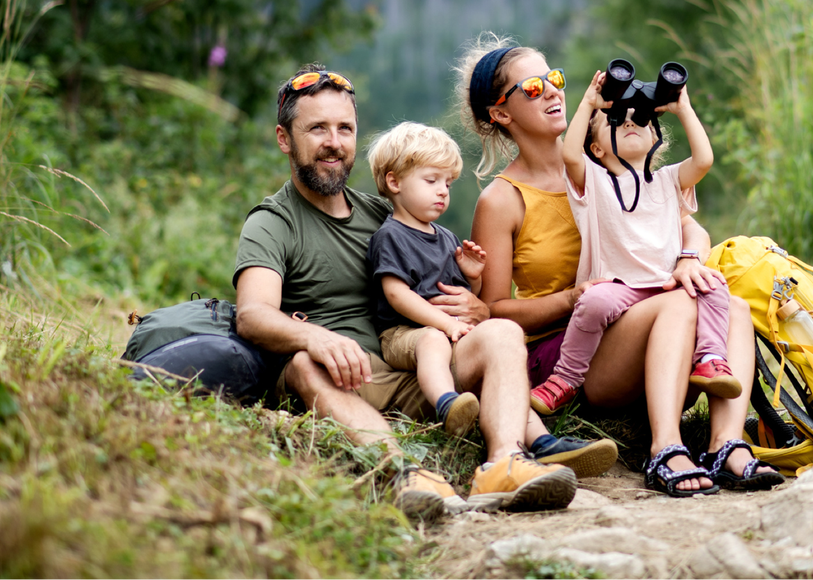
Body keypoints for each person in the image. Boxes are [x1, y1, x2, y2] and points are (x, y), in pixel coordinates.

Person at [232, 64, 617, 520]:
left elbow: (445, 277)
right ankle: (401, 470)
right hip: (346, 376)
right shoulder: (273, 222)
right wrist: (317, 337)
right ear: (285, 139)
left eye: (344, 128)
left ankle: (504, 463)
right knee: (301, 364)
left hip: (421, 367)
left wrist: (475, 304)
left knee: (501, 333)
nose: (333, 142)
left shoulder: (383, 213)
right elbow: (253, 314)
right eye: (316, 129)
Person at [460, 36, 785, 495]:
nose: (553, 91)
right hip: (577, 351)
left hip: (643, 329)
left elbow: (685, 226)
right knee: (679, 305)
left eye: (554, 79)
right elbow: (494, 309)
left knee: (729, 305)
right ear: (501, 113)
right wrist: (573, 298)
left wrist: (691, 257)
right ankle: (665, 450)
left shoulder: (612, 166)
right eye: (533, 88)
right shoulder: (503, 199)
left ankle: (726, 446)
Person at [528, 69, 742, 418]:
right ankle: (564, 378)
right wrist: (589, 103)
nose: (630, 123)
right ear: (596, 147)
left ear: (655, 135)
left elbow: (704, 160)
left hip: (665, 284)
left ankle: (711, 359)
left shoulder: (669, 180)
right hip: (618, 286)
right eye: (616, 120)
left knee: (716, 287)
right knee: (593, 301)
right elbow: (569, 155)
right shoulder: (594, 182)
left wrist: (682, 108)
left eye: (640, 119)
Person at [365, 122, 485, 437]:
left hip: (444, 331)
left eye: (448, 182)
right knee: (432, 339)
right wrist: (446, 325)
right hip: (401, 334)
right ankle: (446, 405)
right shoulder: (390, 235)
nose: (443, 190)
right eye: (431, 180)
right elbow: (397, 295)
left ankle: (534, 435)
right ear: (394, 182)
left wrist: (473, 280)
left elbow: (461, 298)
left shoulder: (445, 237)